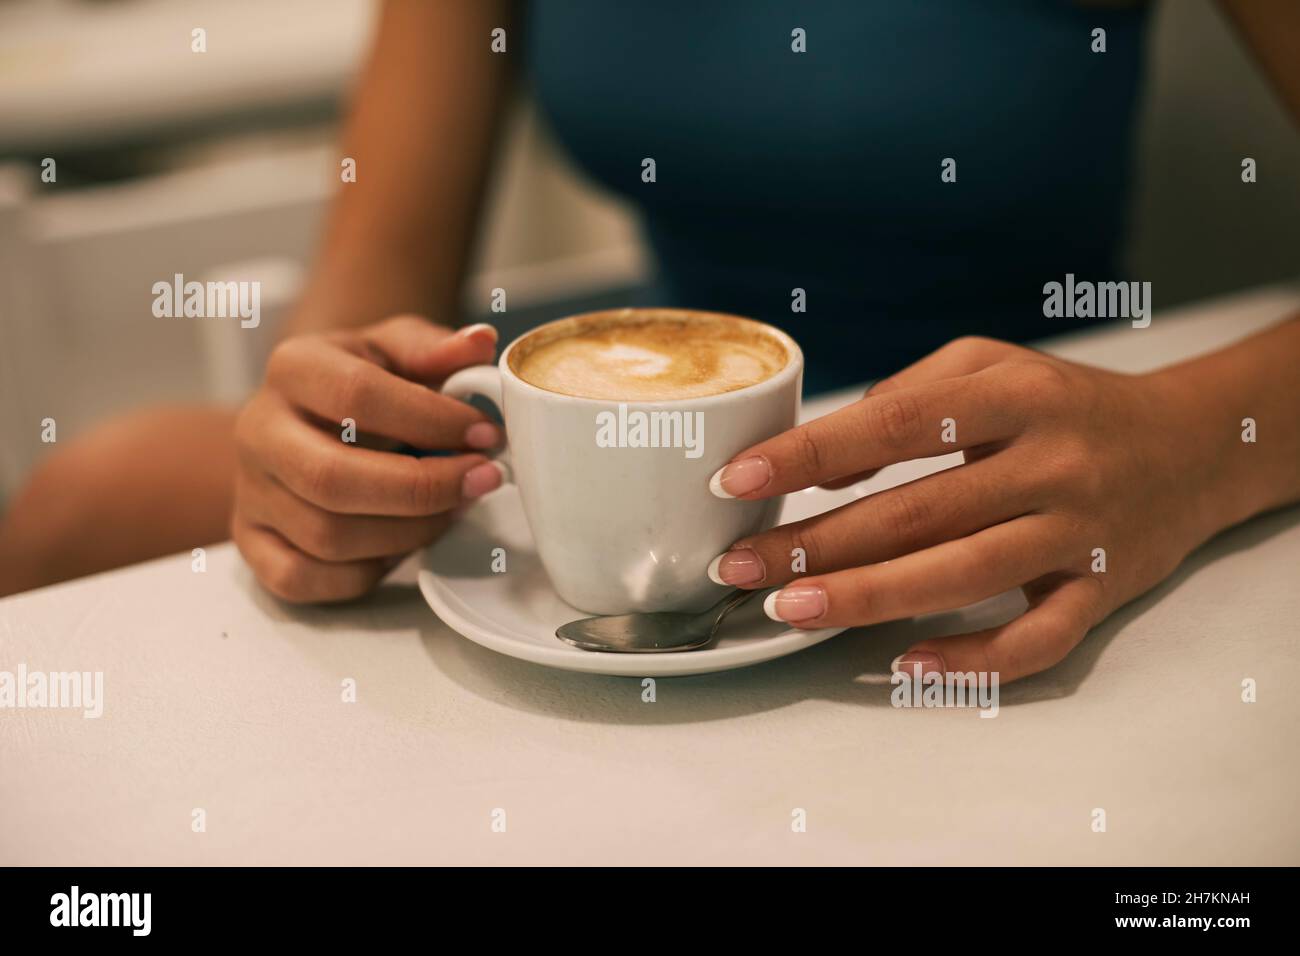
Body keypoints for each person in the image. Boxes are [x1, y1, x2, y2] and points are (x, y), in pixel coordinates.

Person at [1, 1, 1297, 685]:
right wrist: (322, 445)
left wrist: (1192, 443)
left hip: (1008, 491)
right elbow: (361, 327)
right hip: (626, 457)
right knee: (83, 498)